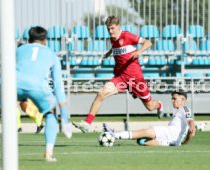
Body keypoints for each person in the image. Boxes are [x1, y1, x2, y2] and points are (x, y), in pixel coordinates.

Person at [72, 15, 164, 133]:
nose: (110, 31)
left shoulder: (127, 35)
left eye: (112, 28)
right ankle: (87, 123)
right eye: (108, 29)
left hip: (136, 79)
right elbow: (116, 46)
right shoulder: (113, 38)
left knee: (150, 107)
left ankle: (160, 106)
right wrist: (109, 52)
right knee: (101, 93)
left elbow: (148, 42)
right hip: (121, 78)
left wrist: (139, 52)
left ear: (118, 27)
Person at [16, 26, 72, 162]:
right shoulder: (52, 54)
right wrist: (65, 116)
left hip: (12, 84)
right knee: (50, 114)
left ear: (29, 39)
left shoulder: (18, 50)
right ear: (45, 41)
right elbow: (58, 87)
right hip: (38, 87)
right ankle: (48, 153)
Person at [103, 90, 196, 146]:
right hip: (172, 142)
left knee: (144, 131)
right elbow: (186, 134)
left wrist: (192, 127)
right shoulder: (178, 112)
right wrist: (184, 142)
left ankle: (114, 134)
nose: (172, 101)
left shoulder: (184, 108)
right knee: (142, 142)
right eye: (172, 98)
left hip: (167, 133)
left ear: (183, 100)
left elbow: (190, 120)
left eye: (175, 98)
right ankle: (116, 135)